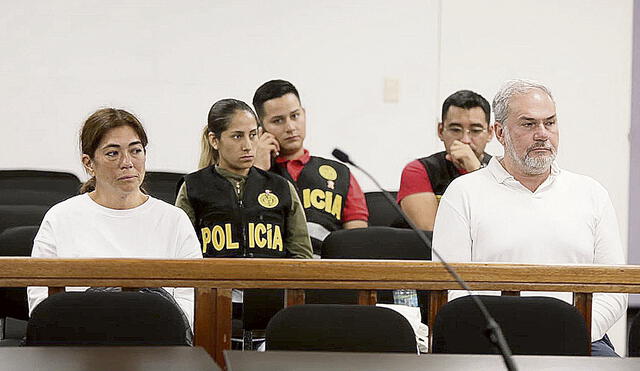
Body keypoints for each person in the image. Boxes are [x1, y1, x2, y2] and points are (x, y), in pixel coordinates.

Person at [432, 79, 627, 356]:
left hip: (581, 338)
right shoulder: (463, 193)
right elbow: (450, 289)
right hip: (491, 343)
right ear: (500, 132)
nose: (543, 134)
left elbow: (614, 287)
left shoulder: (591, 193)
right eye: (529, 124)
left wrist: (570, 331)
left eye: (550, 123)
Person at [27, 108, 202, 329]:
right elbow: (41, 304)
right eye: (113, 153)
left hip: (157, 344)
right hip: (78, 344)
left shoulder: (174, 220)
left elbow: (192, 302)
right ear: (89, 163)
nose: (127, 162)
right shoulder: (60, 218)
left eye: (136, 150)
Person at [176, 98, 312, 259]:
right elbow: (179, 253)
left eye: (253, 135)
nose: (247, 145)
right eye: (237, 136)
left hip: (271, 283)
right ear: (214, 140)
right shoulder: (193, 186)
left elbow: (302, 255)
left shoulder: (281, 187)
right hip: (215, 283)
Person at [251, 80, 369, 255]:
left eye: (295, 116)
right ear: (261, 129)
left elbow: (356, 242)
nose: (290, 127)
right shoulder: (249, 174)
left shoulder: (340, 174)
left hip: (327, 272)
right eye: (278, 121)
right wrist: (258, 169)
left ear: (304, 114)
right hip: (270, 270)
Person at [398, 90, 493, 231]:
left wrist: (475, 170)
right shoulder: (418, 170)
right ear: (440, 130)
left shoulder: (503, 171)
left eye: (475, 130)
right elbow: (431, 233)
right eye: (455, 129)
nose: (465, 140)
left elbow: (505, 228)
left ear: (490, 133)